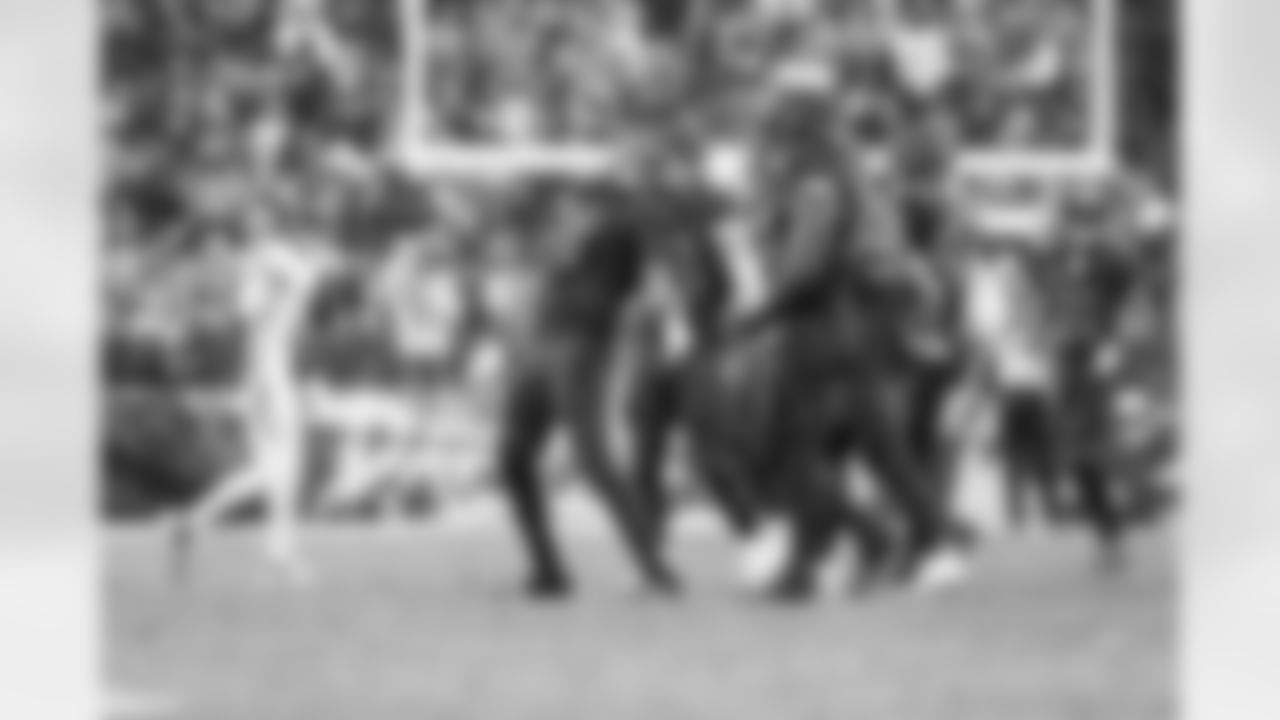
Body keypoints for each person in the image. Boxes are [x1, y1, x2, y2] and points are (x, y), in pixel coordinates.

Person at [170, 207, 338, 585]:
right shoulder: (271, 259)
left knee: (273, 470)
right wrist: (305, 264)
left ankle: (199, 523)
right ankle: (274, 552)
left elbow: (252, 308)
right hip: (271, 375)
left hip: (258, 375)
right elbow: (304, 280)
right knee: (282, 470)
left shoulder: (254, 266)